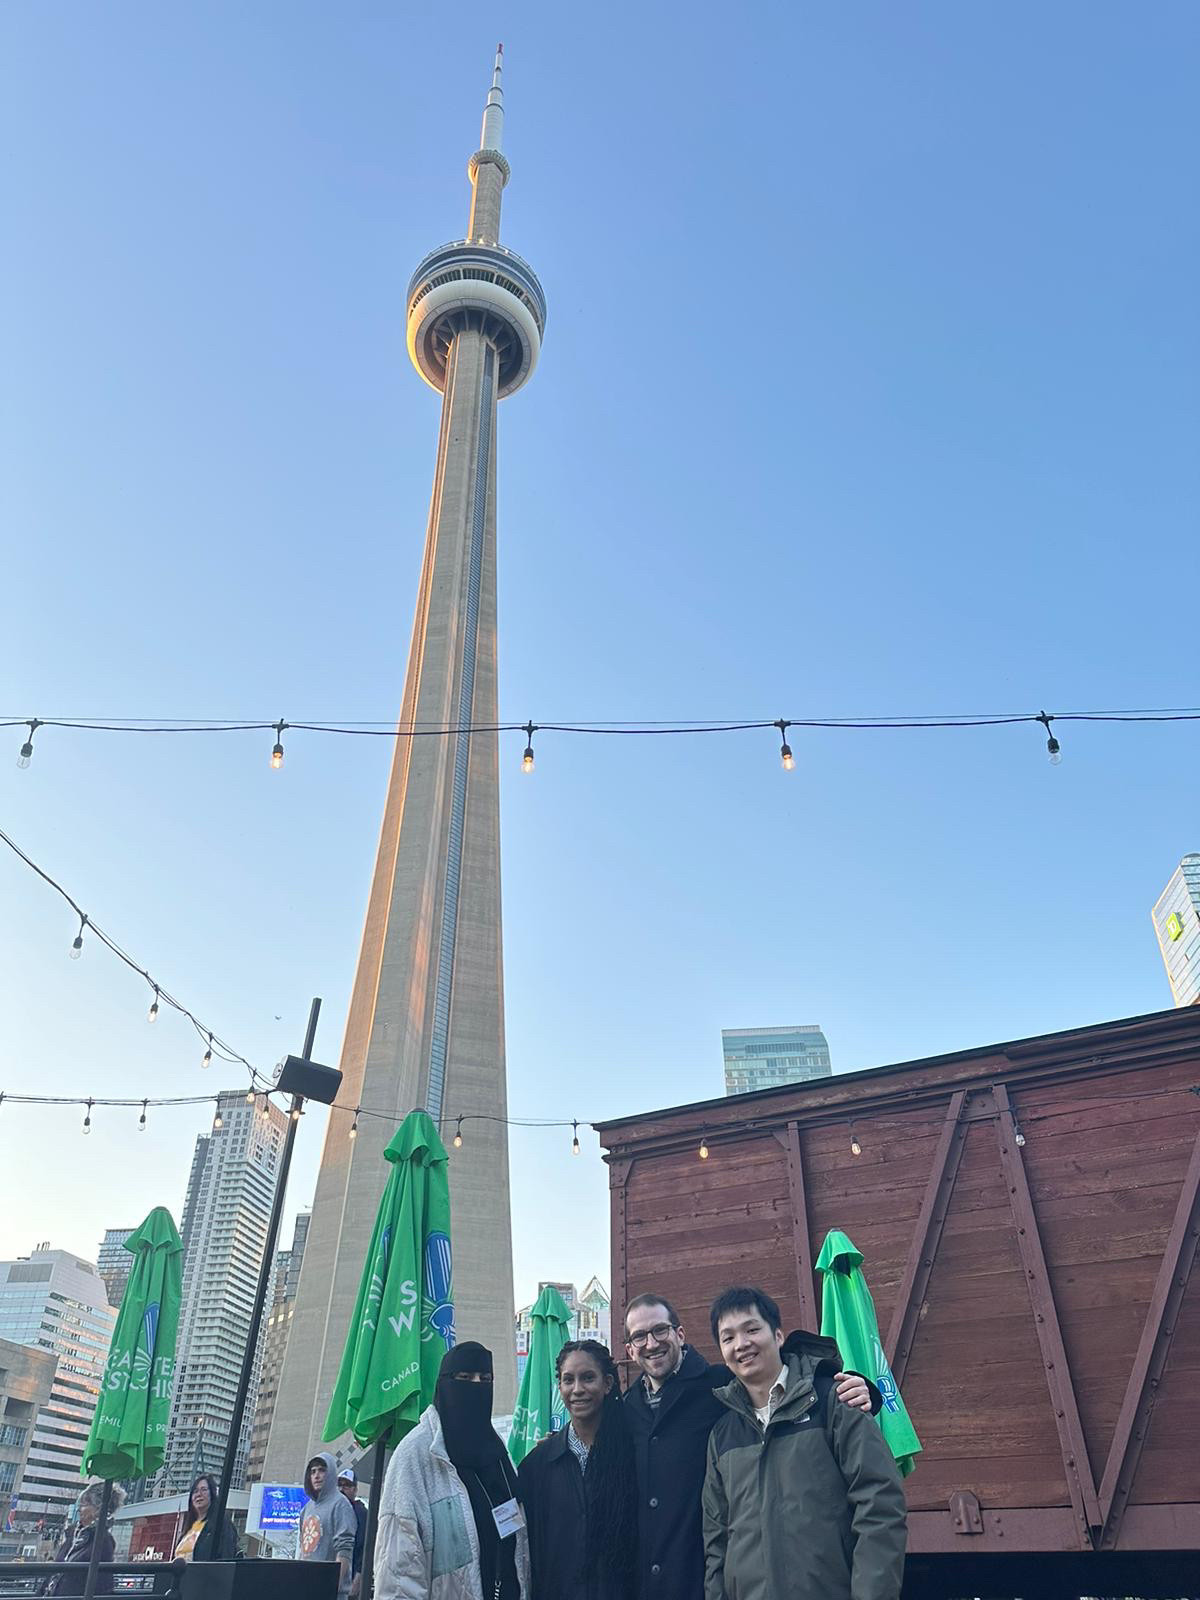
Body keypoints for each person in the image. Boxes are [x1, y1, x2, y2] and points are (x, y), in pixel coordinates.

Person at [622, 1291, 877, 1600]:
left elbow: (788, 1382)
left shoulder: (719, 1385)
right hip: (659, 1582)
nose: (651, 1343)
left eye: (660, 1330)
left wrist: (860, 1389)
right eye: (640, 1337)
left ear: (679, 1333)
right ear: (630, 1349)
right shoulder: (625, 1410)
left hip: (699, 1576)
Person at [702, 1285, 906, 1600]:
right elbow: (716, 1539)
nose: (741, 1344)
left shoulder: (833, 1402)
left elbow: (879, 1505)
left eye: (752, 1329)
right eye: (728, 1337)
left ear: (778, 1336)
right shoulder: (723, 1434)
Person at [374, 1341, 531, 1600]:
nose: (476, 1386)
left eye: (485, 1379)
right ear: (445, 1383)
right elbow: (399, 1574)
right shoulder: (416, 1455)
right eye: (465, 1378)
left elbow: (518, 1545)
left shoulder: (498, 1454)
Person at [517, 1339, 638, 1600]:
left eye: (588, 1378)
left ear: (607, 1384)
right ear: (559, 1386)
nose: (577, 1389)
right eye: (568, 1380)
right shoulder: (537, 1467)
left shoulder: (635, 1456)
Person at [42, 1479, 126, 1596]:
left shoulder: (103, 1541)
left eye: (84, 1504)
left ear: (98, 1509)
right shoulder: (74, 1536)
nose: (78, 1509)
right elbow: (53, 1574)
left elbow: (102, 1585)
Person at [299, 1450, 358, 1597]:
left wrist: (332, 1585)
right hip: (306, 1587)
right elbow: (303, 1550)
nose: (316, 1476)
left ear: (331, 1473)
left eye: (322, 1470)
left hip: (330, 1592)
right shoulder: (306, 1509)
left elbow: (344, 1548)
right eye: (312, 1472)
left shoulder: (341, 1504)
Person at [173, 1473, 240, 1562]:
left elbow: (226, 1557)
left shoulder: (221, 1524)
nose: (199, 1494)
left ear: (212, 1494)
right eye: (195, 1491)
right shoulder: (189, 1528)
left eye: (204, 1490)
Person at [338, 1467, 369, 1598]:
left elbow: (365, 1548)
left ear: (355, 1490)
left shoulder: (361, 1513)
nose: (341, 1489)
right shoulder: (334, 1511)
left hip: (350, 1581)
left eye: (346, 1486)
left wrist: (358, 1577)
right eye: (339, 1485)